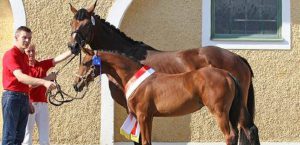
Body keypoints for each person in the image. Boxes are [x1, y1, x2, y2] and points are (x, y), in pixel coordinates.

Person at [1, 26, 57, 145]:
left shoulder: (24, 57)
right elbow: (20, 77)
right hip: (12, 97)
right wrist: (44, 81)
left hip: (23, 98)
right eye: (24, 37)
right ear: (16, 37)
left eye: (29, 38)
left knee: (19, 138)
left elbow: (26, 83)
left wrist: (28, 101)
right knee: (10, 136)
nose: (27, 40)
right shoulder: (11, 54)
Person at [22, 43, 73, 145]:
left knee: (45, 137)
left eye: (33, 51)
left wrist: (72, 51)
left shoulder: (41, 65)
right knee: (27, 137)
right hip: (29, 104)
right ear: (24, 52)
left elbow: (57, 59)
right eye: (28, 51)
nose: (31, 53)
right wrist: (48, 79)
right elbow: (29, 86)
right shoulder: (23, 69)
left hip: (42, 104)